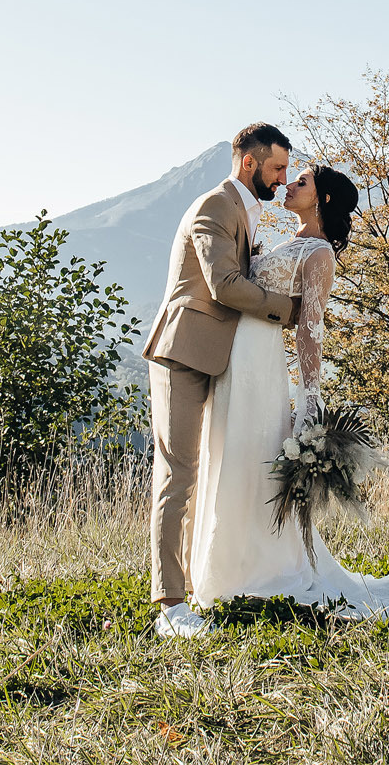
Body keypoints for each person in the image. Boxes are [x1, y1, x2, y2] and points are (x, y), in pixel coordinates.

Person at [185, 160, 389, 627]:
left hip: (262, 363)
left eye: (301, 182)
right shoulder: (292, 243)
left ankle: (257, 568)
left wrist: (310, 398)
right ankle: (225, 566)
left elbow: (310, 328)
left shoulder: (319, 254)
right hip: (238, 355)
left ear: (320, 199)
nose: (290, 185)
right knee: (232, 452)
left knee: (250, 454)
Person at [142, 122, 302, 638]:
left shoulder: (246, 212)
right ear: (249, 162)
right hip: (184, 353)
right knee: (178, 473)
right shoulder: (215, 206)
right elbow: (224, 284)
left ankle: (201, 580)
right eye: (277, 168)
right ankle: (169, 601)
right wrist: (287, 309)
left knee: (208, 469)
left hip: (220, 358)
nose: (283, 180)